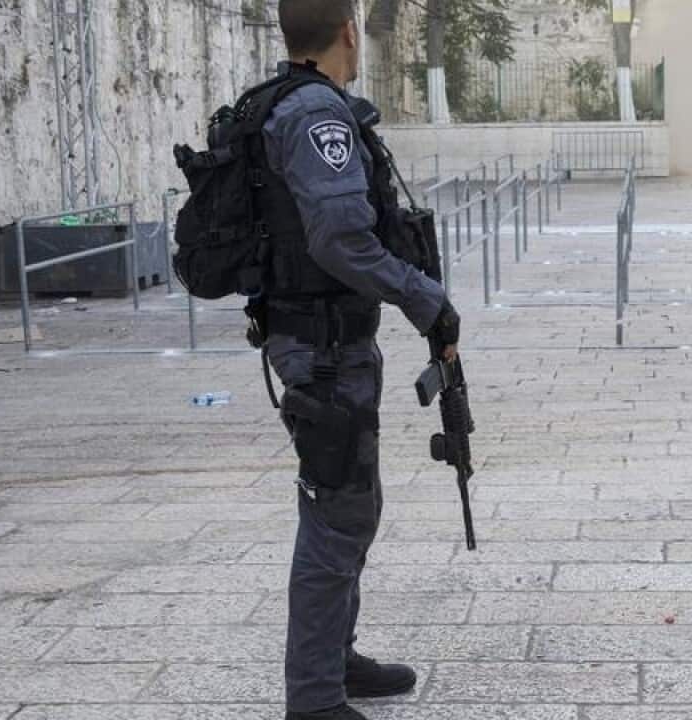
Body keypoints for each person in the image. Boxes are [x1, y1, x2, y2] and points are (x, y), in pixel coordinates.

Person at [258, 1, 460, 718]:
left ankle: (334, 658)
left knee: (351, 505)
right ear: (349, 32)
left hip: (324, 338)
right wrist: (422, 297)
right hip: (322, 347)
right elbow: (339, 239)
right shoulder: (317, 116)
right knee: (335, 510)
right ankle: (313, 699)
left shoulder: (290, 101)